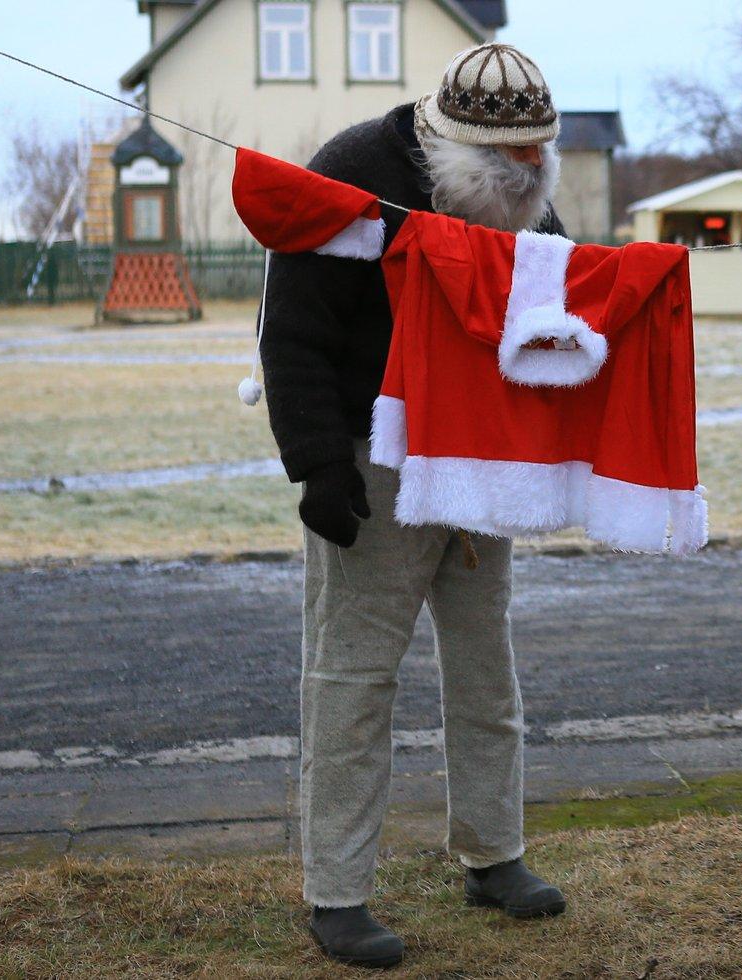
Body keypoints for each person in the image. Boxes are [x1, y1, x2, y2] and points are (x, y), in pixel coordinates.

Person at [259, 43, 570, 969]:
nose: (529, 177)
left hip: (478, 457)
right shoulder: (351, 172)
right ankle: (338, 893)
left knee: (487, 669)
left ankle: (493, 853)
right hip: (372, 457)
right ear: (455, 148)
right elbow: (294, 328)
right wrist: (319, 462)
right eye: (509, 164)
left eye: (538, 158)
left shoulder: (524, 190)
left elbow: (545, 305)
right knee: (353, 680)